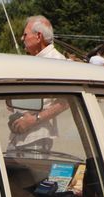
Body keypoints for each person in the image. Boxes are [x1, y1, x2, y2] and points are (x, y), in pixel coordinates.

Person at [9, 16, 66, 149]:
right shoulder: (37, 60)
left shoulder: (57, 61)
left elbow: (65, 101)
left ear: (38, 36)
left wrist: (34, 119)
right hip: (20, 133)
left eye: (25, 34)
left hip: (37, 136)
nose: (22, 39)